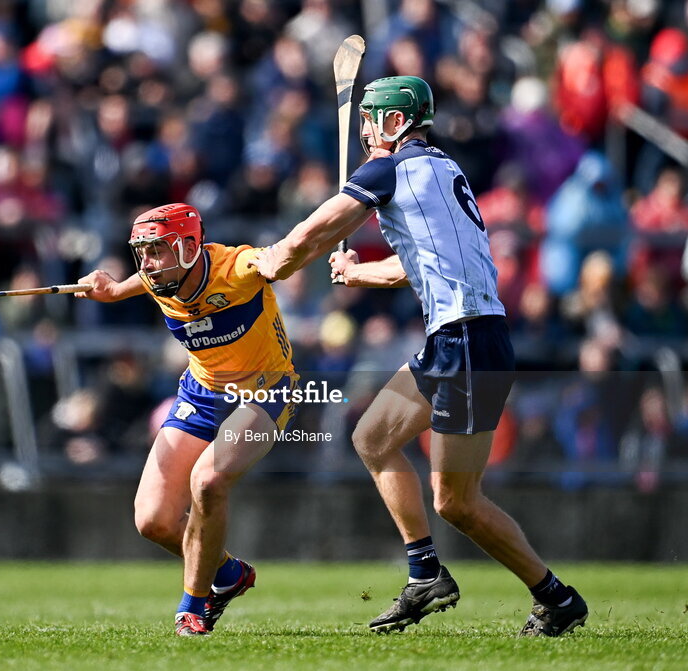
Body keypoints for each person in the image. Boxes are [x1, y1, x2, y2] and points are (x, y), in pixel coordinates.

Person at [250, 75, 588, 637]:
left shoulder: (390, 169)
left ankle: (555, 598)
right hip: (455, 339)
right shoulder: (437, 169)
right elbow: (420, 263)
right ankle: (425, 573)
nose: (363, 130)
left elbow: (311, 234)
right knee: (373, 436)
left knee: (457, 502)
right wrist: (359, 272)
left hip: (470, 342)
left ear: (396, 122)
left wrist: (274, 262)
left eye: (372, 118)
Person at [75, 203, 298, 636]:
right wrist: (112, 289)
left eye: (157, 250)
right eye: (142, 251)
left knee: (208, 482)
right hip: (201, 392)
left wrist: (282, 256)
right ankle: (229, 573)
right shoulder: (161, 276)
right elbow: (136, 282)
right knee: (153, 520)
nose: (148, 263)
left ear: (190, 246)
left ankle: (193, 606)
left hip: (267, 390)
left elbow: (274, 258)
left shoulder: (236, 267)